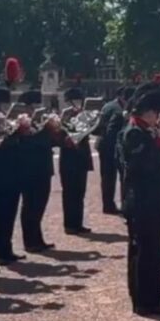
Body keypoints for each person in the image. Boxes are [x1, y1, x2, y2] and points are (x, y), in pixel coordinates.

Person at [121, 86, 160, 316]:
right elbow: (146, 166)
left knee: (146, 250)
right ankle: (146, 301)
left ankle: (145, 297)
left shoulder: (142, 130)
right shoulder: (135, 133)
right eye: (155, 113)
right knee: (147, 252)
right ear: (146, 112)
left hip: (148, 198)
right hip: (144, 199)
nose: (158, 118)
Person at [0, 86, 25, 266]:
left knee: (9, 214)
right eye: (3, 103)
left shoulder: (8, 119)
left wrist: (17, 129)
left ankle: (6, 249)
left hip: (12, 173)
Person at [16, 90, 57, 253]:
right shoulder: (20, 124)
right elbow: (28, 144)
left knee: (40, 205)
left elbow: (50, 142)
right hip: (28, 169)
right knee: (30, 206)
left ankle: (37, 238)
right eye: (32, 106)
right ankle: (30, 241)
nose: (35, 109)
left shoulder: (41, 122)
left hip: (43, 168)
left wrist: (51, 130)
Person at [60, 87, 94, 235]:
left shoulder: (84, 114)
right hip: (69, 157)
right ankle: (70, 224)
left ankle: (78, 223)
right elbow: (62, 134)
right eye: (76, 100)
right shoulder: (65, 115)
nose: (78, 103)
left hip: (82, 156)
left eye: (80, 100)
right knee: (70, 192)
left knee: (80, 192)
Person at [96, 86, 130, 214]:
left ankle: (108, 205)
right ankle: (124, 204)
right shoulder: (118, 110)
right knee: (120, 176)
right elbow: (112, 131)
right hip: (111, 146)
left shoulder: (108, 105)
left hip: (103, 144)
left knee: (107, 177)